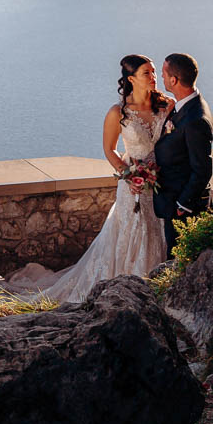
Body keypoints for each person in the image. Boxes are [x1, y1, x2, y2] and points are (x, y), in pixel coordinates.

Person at [30, 54, 172, 303]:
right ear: (131, 79)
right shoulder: (118, 112)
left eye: (153, 71)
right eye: (146, 73)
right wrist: (129, 174)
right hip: (134, 186)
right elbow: (109, 149)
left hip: (163, 183)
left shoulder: (165, 106)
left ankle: (157, 286)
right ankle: (128, 290)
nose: (154, 77)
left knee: (157, 229)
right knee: (134, 231)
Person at [153, 52, 213, 258]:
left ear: (174, 80)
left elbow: (202, 169)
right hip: (174, 201)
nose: (161, 78)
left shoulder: (195, 119)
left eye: (163, 73)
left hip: (185, 208)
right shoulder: (186, 105)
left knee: (179, 260)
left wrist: (183, 205)